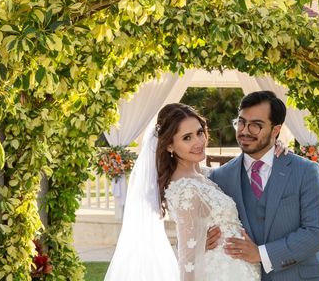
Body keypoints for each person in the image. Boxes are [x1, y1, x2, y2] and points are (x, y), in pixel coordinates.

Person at [104, 103, 261, 281]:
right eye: (187, 138)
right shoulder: (184, 189)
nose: (198, 142)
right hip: (220, 274)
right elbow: (188, 260)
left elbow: (242, 166)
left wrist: (272, 146)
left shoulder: (204, 175)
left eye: (199, 132)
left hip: (237, 271)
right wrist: (197, 247)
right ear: (169, 146)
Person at [207, 90, 319, 280]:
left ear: (275, 130)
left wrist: (261, 254)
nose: (245, 131)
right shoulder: (220, 177)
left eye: (256, 125)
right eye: (241, 122)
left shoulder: (305, 171)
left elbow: (316, 233)